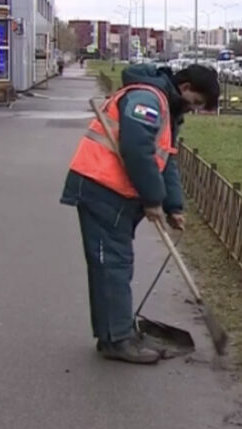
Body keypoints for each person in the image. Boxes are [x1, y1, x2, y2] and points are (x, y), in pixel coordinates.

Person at [60, 63, 220, 364]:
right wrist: (152, 199)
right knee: (112, 265)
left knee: (115, 264)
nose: (194, 109)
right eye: (196, 102)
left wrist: (173, 206)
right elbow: (136, 150)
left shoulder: (165, 107)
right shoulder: (147, 100)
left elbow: (165, 160)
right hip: (101, 188)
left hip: (113, 191)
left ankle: (116, 333)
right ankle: (117, 339)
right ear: (185, 88)